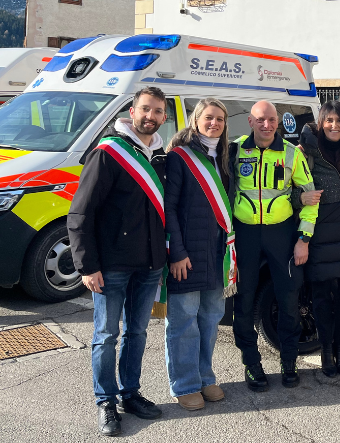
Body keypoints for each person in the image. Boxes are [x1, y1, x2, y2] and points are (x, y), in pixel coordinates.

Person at [67, 87, 169, 436]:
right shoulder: (108, 152)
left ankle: (130, 393)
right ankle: (105, 401)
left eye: (157, 111)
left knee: (137, 332)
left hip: (150, 263)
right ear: (132, 110)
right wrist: (86, 265)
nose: (150, 116)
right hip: (110, 265)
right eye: (145, 109)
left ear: (164, 117)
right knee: (106, 334)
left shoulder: (160, 156)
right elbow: (80, 213)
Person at [228, 101, 318, 391]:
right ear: (251, 122)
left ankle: (288, 360)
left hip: (283, 234)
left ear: (277, 122)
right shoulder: (234, 149)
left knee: (289, 298)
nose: (266, 125)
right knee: (243, 300)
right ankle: (251, 363)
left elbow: (310, 199)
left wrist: (303, 239)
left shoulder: (292, 154)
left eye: (271, 120)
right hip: (245, 235)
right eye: (260, 120)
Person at [163, 98, 234, 410]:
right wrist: (176, 252)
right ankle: (185, 383)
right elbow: (170, 209)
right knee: (183, 323)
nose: (214, 123)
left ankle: (205, 376)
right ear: (196, 120)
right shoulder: (180, 157)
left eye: (219, 119)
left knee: (209, 319)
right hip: (187, 256)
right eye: (208, 117)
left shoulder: (223, 157)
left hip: (217, 254)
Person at [292, 101, 340, 378]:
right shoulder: (306, 154)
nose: (334, 125)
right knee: (322, 300)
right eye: (328, 120)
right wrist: (300, 198)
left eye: (339, 120)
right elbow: (290, 192)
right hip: (320, 237)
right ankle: (325, 351)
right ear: (321, 123)